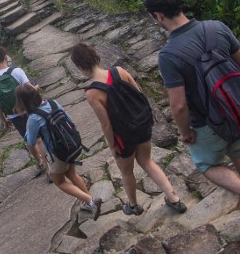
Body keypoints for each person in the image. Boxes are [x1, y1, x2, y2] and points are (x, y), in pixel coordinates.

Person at [144, 0, 240, 231]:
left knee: (208, 165)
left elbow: (179, 105)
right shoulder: (216, 27)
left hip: (206, 122)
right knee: (239, 152)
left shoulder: (168, 55)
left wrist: (185, 132)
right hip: (235, 112)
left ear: (159, 16)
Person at [69, 42, 186, 216]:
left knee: (126, 171)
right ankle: (174, 198)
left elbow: (106, 124)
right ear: (95, 56)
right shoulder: (120, 71)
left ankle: (133, 206)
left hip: (124, 136)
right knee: (147, 162)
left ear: (79, 66)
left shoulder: (92, 93)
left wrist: (112, 145)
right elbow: (139, 93)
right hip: (142, 124)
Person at [17, 82, 102, 219]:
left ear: (23, 102)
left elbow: (31, 141)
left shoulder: (33, 118)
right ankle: (90, 200)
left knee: (60, 182)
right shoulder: (52, 102)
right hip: (70, 145)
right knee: (72, 174)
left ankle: (90, 201)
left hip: (58, 153)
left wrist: (27, 128)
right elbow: (69, 119)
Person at [0, 46, 49, 178]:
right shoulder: (17, 71)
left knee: (29, 139)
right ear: (6, 57)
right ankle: (49, 168)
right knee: (39, 139)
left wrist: (4, 120)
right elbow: (31, 89)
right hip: (29, 109)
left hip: (13, 115)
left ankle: (39, 163)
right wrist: (37, 88)